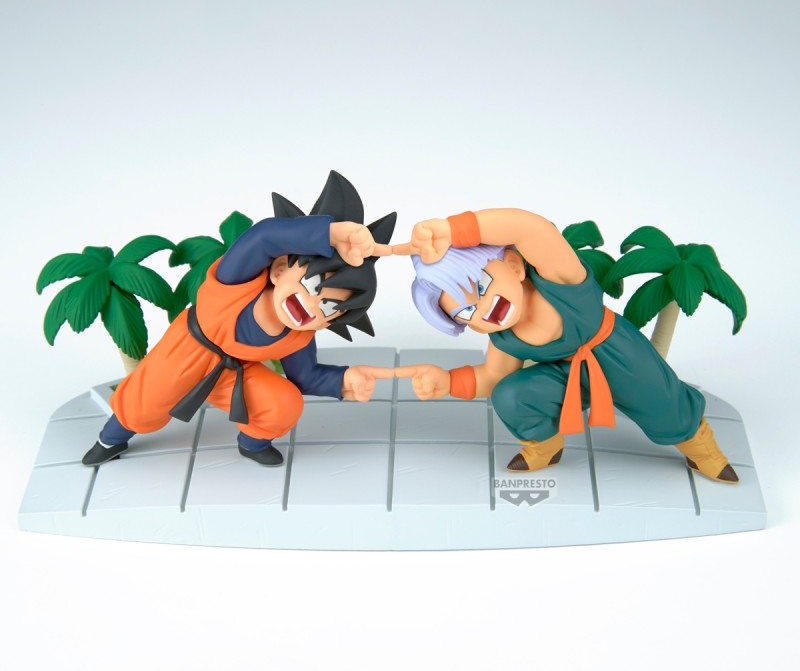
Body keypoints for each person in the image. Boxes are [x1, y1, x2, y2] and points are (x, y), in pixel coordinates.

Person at [393, 208, 738, 483]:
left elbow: (531, 229)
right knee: (510, 395)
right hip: (566, 376)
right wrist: (448, 381)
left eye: (482, 287)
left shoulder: (559, 278)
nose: (482, 309)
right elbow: (492, 376)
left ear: (514, 266)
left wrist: (454, 229)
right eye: (466, 312)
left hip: (619, 355)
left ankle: (701, 447)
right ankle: (545, 446)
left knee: (662, 404)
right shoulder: (504, 339)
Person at [82, 171, 396, 468]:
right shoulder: (237, 282)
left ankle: (253, 443)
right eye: (312, 286)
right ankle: (110, 439)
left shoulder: (297, 337)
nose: (312, 305)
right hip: (185, 352)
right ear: (280, 269)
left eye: (329, 308)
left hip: (233, 373)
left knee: (284, 403)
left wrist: (344, 381)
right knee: (143, 404)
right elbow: (263, 238)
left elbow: (306, 377)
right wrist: (329, 233)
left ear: (329, 323)